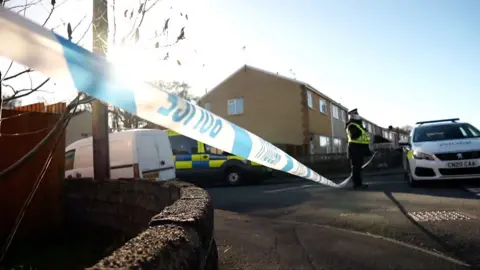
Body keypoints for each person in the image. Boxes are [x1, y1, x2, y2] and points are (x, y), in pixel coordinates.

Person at [345, 108, 371, 189]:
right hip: (355, 149)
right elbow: (354, 135)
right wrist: (362, 130)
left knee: (358, 167)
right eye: (356, 114)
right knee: (356, 167)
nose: (357, 115)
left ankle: (359, 183)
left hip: (359, 149)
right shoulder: (352, 125)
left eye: (357, 114)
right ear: (352, 116)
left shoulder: (358, 124)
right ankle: (357, 184)